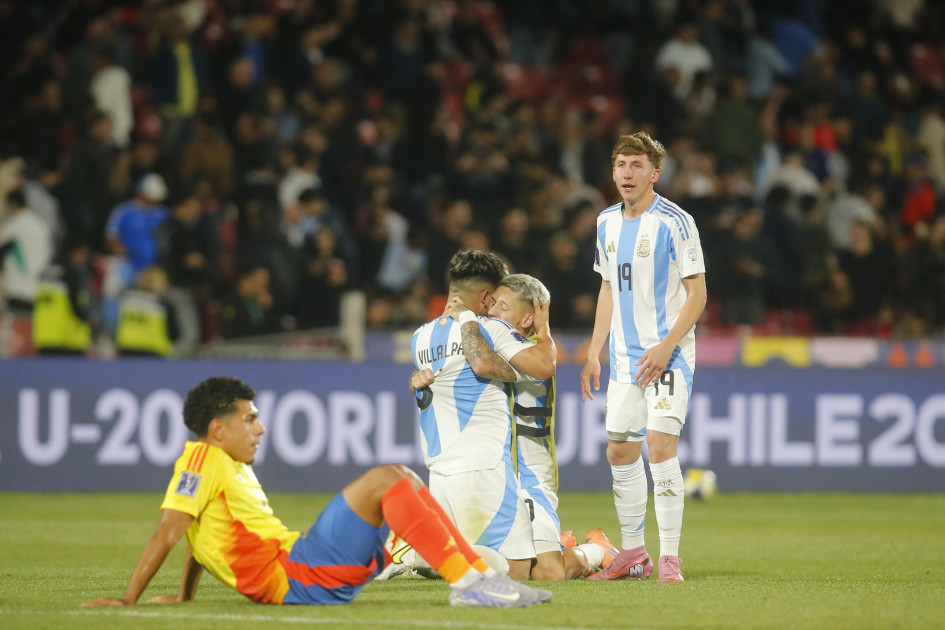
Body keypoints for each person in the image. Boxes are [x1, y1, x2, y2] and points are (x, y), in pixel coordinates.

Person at [80, 376, 551, 609]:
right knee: (386, 479)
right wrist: (128, 600)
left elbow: (197, 536)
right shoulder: (202, 460)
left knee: (402, 478)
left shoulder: (223, 467)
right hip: (298, 572)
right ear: (217, 429)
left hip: (305, 569)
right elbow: (169, 531)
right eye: (250, 419)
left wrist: (185, 597)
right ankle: (468, 583)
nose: (261, 429)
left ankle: (476, 577)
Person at [580, 132, 707, 584]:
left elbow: (698, 293)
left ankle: (669, 557)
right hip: (624, 358)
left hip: (668, 354)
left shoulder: (676, 222)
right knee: (619, 449)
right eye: (620, 165)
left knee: (659, 445)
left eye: (636, 165)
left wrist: (667, 346)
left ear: (655, 173)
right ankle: (634, 553)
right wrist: (594, 351)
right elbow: (607, 288)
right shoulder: (605, 222)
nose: (627, 173)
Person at [409, 249, 555, 580]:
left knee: (459, 569)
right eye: (494, 301)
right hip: (485, 466)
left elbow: (429, 383)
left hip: (440, 473)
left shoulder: (420, 337)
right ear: (486, 296)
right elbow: (543, 365)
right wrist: (542, 328)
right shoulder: (489, 328)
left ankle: (427, 552)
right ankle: (412, 552)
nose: (493, 309)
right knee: (517, 569)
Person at [485, 274, 615, 580]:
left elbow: (545, 363)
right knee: (498, 567)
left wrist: (543, 330)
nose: (492, 313)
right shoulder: (487, 341)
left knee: (548, 574)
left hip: (529, 475)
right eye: (491, 304)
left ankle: (598, 550)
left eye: (502, 307)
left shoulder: (534, 352)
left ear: (527, 318)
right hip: (491, 475)